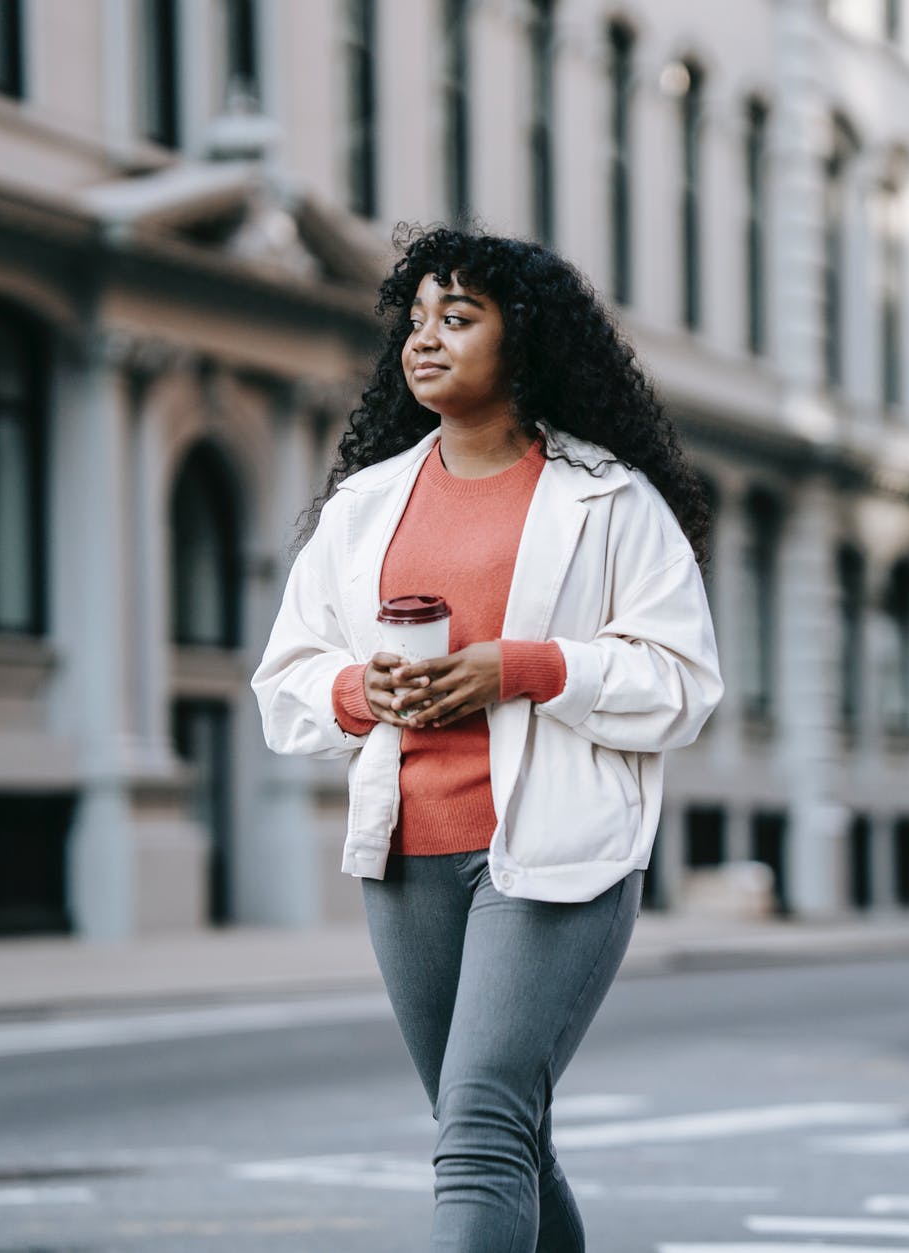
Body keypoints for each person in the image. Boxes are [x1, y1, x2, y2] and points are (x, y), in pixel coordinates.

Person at [251, 225, 723, 1251]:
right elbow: (283, 685)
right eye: (414, 321)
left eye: (457, 319)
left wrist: (522, 666)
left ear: (527, 343)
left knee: (477, 1134)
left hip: (557, 852)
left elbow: (682, 683)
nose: (424, 339)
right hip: (406, 856)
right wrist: (359, 688)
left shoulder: (608, 498)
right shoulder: (365, 506)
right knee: (501, 1132)